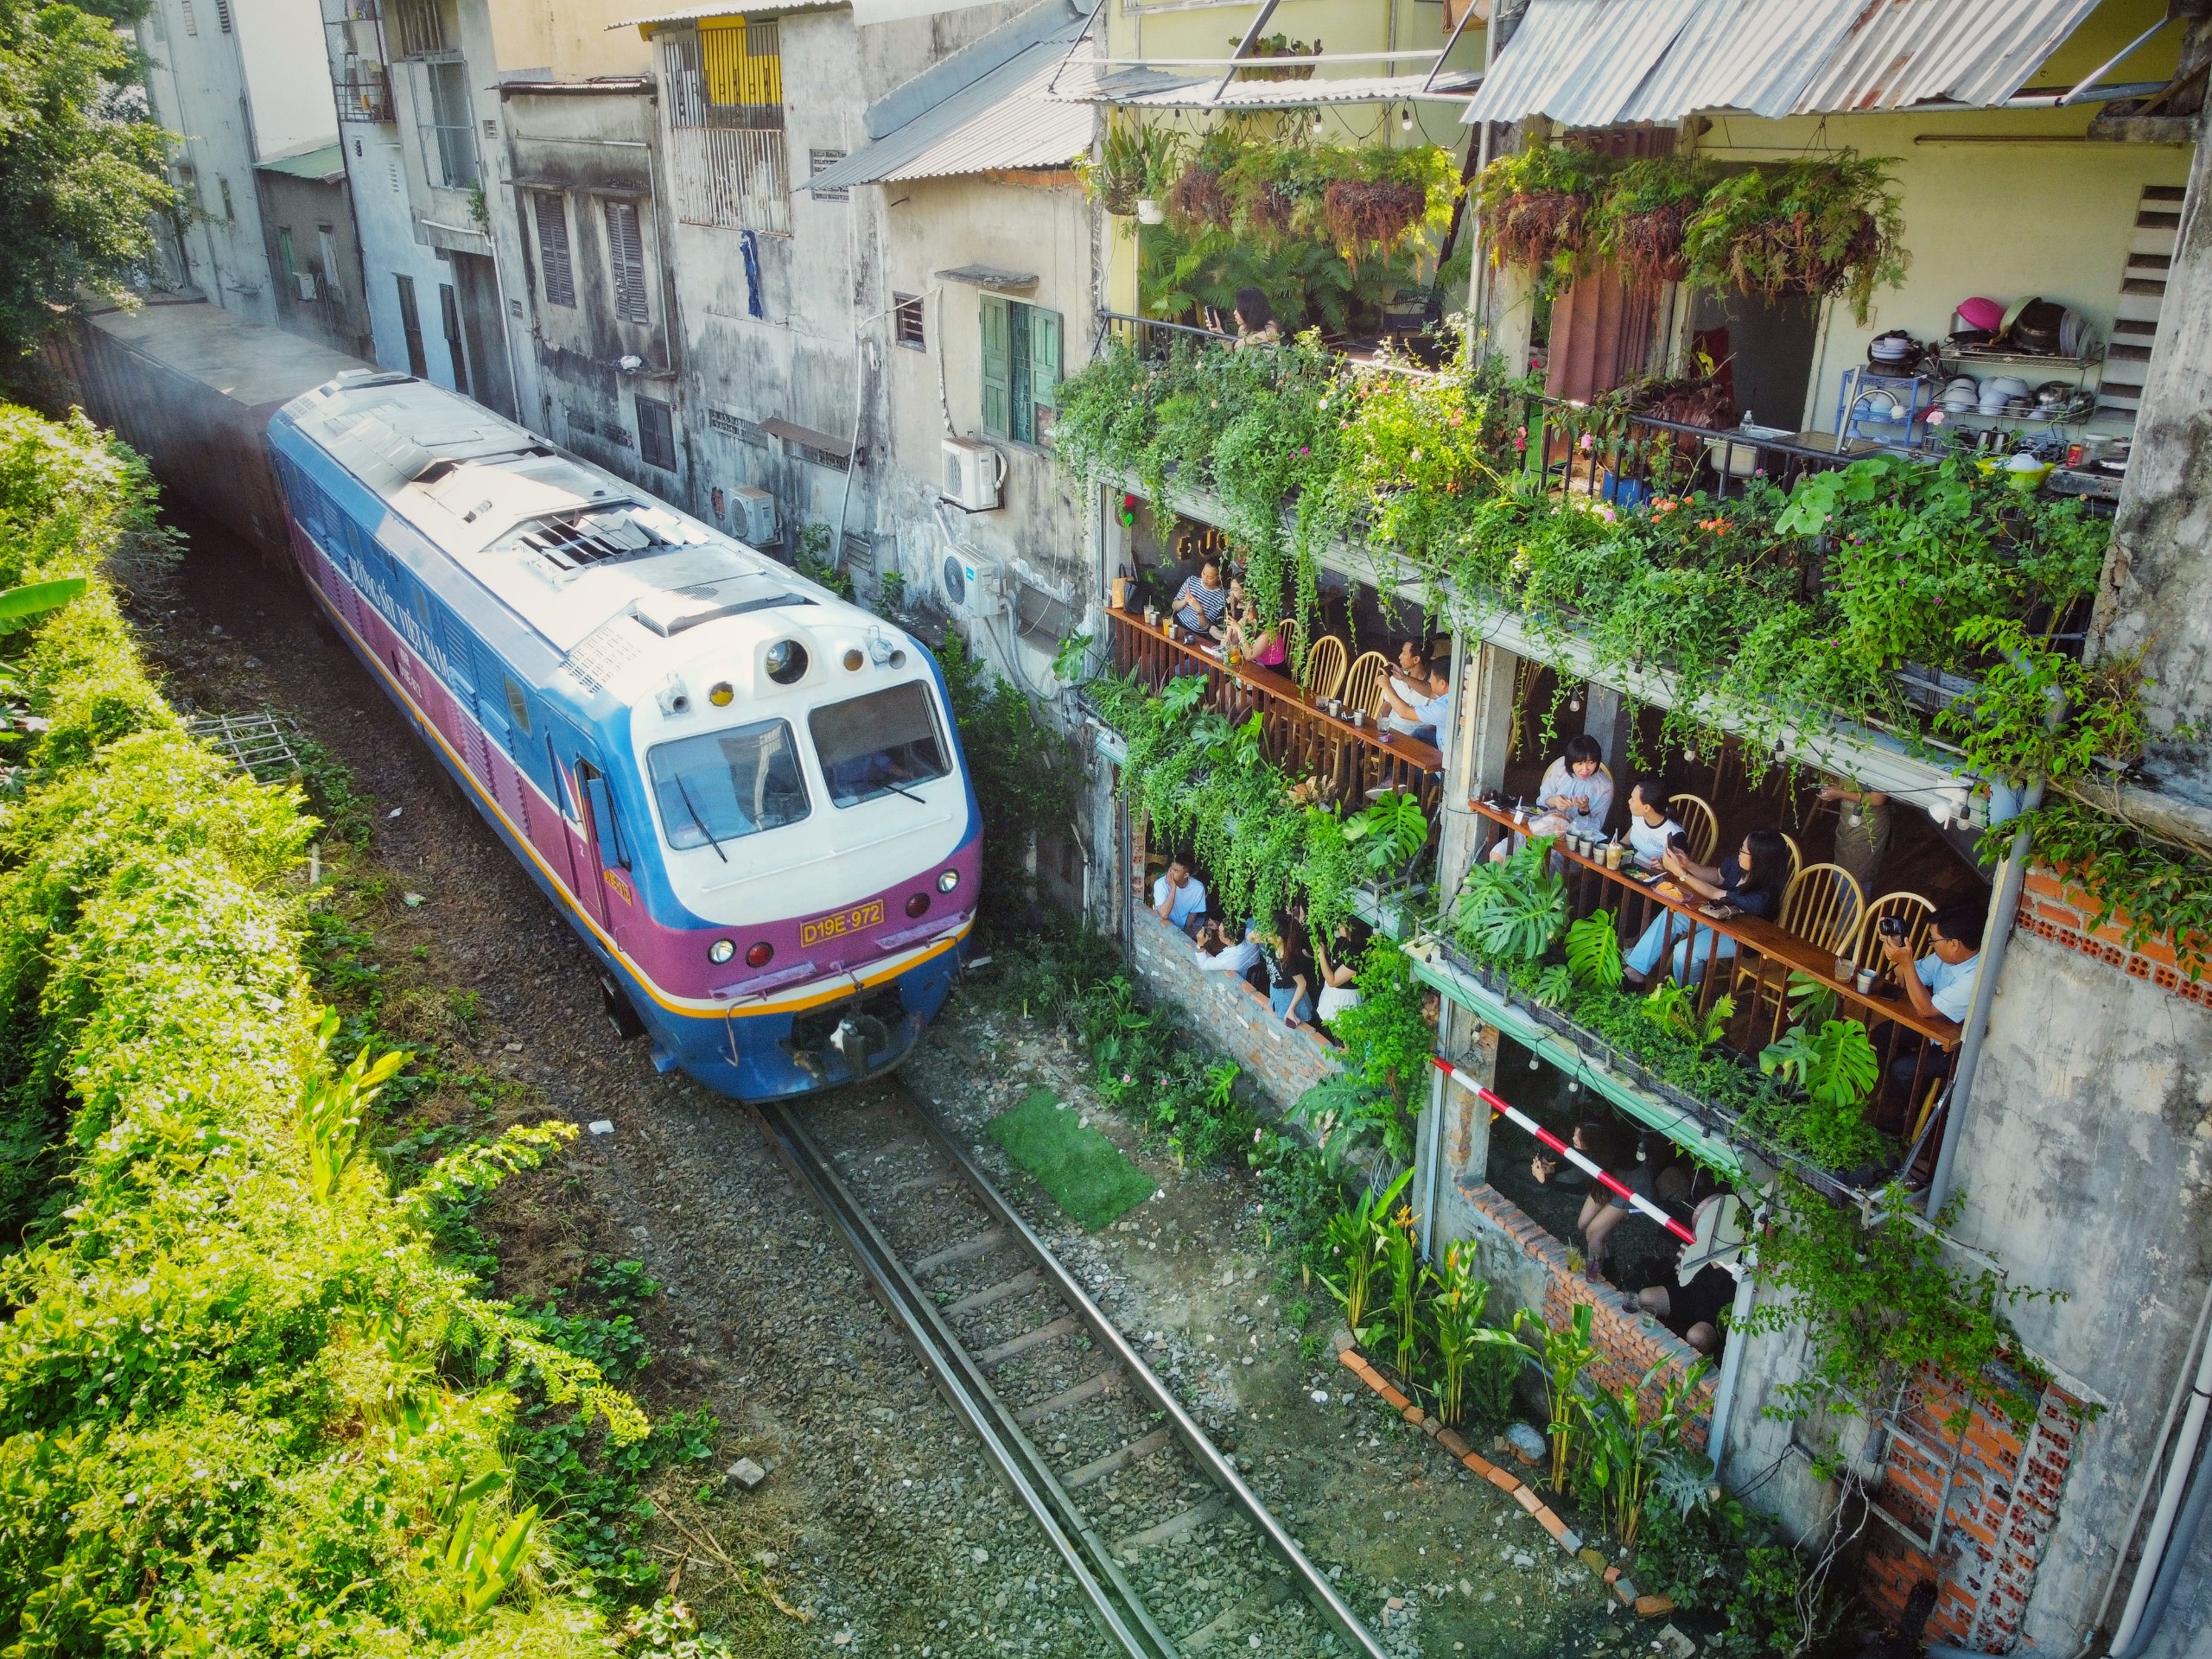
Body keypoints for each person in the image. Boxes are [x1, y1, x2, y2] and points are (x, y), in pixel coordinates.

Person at [1623, 828, 1791, 987]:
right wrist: (1688, 864)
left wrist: (1682, 874)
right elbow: (1717, 876)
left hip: (1741, 937)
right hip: (1717, 915)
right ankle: (1636, 970)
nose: (1739, 852)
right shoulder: (1739, 865)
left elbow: (1716, 893)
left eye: (1744, 850)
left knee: (1685, 951)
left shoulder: (1763, 896)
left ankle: (1686, 1000)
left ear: (1759, 859)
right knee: (1672, 915)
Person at [1880, 900, 1986, 1102]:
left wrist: (1905, 962)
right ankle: (1895, 1095)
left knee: (1902, 1070)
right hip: (1934, 1029)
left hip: (1957, 1047)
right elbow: (1906, 980)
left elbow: (1926, 1009)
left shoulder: (1975, 976)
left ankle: (1903, 1121)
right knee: (1884, 1035)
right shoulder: (1945, 957)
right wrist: (1898, 948)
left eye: (1934, 940)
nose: (1932, 944)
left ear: (1954, 944)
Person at [1532, 1118, 1649, 1284]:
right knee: (1583, 1224)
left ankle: (1598, 1278)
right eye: (1574, 1133)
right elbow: (1571, 1160)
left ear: (1591, 1141)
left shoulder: (1606, 1158)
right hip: (1607, 1180)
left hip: (1628, 1186)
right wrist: (1552, 1169)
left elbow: (1580, 1188)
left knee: (1593, 1233)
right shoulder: (1592, 1148)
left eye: (1577, 1137)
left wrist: (1547, 1181)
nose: (1573, 1138)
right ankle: (1605, 1259)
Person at [1489, 734, 1612, 861]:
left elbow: (1595, 828)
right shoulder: (1560, 769)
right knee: (1500, 853)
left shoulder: (1603, 786)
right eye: (1579, 763)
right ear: (1570, 762)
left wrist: (1584, 811)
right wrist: (1555, 801)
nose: (1585, 769)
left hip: (1568, 845)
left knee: (1536, 866)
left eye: (1591, 762)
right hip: (1541, 828)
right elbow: (1541, 803)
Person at [1821, 782, 1891, 897]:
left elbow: (1878, 799)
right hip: (1850, 821)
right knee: (1844, 874)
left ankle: (1853, 914)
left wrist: (1839, 793)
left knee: (1856, 880)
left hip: (1867, 824)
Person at [1380, 655, 1451, 745]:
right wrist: (1404, 677)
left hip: (1445, 755)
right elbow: (1429, 692)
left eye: (1432, 679)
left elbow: (1404, 712)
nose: (1430, 682)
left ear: (1442, 684)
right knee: (1419, 733)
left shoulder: (1443, 708)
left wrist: (1386, 686)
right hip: (1442, 742)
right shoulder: (1451, 696)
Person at [1260, 910, 1314, 1026]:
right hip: (1276, 989)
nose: (1265, 934)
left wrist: (1291, 1009)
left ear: (1279, 938)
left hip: (1289, 994)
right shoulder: (1270, 945)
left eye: (1269, 932)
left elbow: (1302, 984)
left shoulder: (1289, 959)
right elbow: (1251, 938)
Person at [1621, 775, 1684, 871]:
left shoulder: (1675, 835)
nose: (1629, 801)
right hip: (1632, 861)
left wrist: (1664, 867)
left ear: (1646, 808)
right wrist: (1620, 845)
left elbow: (1681, 870)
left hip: (1654, 875)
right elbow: (1635, 829)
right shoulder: (1639, 815)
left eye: (1633, 799)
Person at [1221, 586, 1287, 669]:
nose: (1244, 613)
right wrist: (1230, 626)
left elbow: (1249, 656)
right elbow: (1225, 645)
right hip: (1256, 665)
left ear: (1258, 614)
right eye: (1245, 609)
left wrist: (1239, 630)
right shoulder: (1246, 620)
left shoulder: (1268, 631)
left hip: (1273, 671)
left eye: (1248, 611)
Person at [1312, 922, 1363, 1026]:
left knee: (1343, 1029)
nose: (1338, 925)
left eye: (1342, 924)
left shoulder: (1356, 954)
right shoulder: (1342, 941)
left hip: (1344, 998)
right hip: (1331, 994)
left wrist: (1321, 954)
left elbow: (1333, 981)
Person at [1171, 556, 1228, 638]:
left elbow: (1205, 627)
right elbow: (1174, 607)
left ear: (1219, 578)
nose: (1204, 578)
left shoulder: (1221, 597)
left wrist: (1199, 609)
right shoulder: (1191, 581)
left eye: (1210, 577)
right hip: (1178, 623)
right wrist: (1185, 601)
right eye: (1203, 573)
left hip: (1196, 634)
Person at [1153, 856, 1208, 935]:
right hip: (1163, 927)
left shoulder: (1198, 888)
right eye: (1171, 868)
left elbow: (1192, 915)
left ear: (1185, 875)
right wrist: (1173, 888)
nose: (1170, 872)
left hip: (1183, 929)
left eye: (1176, 871)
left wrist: (1184, 934)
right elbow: (1163, 914)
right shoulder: (1161, 884)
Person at [1195, 917, 1262, 976]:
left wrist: (1200, 944)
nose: (1217, 932)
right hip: (1256, 972)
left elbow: (1203, 965)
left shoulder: (1226, 959)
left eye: (1219, 933)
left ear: (1227, 940)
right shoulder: (1249, 933)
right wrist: (1218, 925)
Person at [1233, 286, 1281, 350]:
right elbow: (1234, 351)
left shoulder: (1270, 325)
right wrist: (1219, 331)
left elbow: (1270, 335)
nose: (1234, 313)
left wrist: (1245, 341)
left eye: (1238, 309)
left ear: (1249, 310)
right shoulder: (1243, 329)